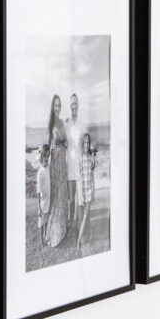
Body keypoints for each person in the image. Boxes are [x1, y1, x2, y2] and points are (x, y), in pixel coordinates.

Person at [46, 94, 68, 247]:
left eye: (59, 105)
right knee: (56, 196)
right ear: (53, 107)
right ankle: (54, 234)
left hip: (62, 162)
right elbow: (48, 145)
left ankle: (62, 231)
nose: (58, 108)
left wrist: (65, 142)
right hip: (54, 164)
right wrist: (46, 162)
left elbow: (65, 140)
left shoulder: (61, 122)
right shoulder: (51, 122)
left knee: (62, 196)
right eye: (56, 105)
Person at [65, 94, 86, 233]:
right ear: (70, 105)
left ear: (78, 105)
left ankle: (79, 223)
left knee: (80, 196)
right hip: (69, 164)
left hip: (79, 164)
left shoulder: (82, 123)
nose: (74, 106)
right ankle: (72, 223)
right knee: (71, 196)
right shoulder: (66, 124)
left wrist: (91, 157)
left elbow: (86, 143)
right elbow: (63, 142)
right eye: (72, 103)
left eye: (76, 103)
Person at [76, 132, 95, 251]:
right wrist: (80, 194)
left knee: (85, 216)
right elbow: (79, 176)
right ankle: (90, 235)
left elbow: (92, 172)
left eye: (88, 142)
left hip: (89, 189)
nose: (86, 145)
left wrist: (93, 155)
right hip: (83, 190)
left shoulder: (89, 157)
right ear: (82, 144)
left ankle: (79, 240)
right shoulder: (80, 157)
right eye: (85, 143)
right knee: (86, 216)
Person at [36, 144, 51, 248]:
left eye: (47, 156)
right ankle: (41, 242)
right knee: (41, 223)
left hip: (48, 199)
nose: (46, 159)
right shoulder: (40, 172)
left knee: (46, 220)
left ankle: (45, 238)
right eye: (44, 157)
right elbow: (38, 191)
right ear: (41, 157)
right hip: (42, 201)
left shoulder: (49, 168)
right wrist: (38, 208)